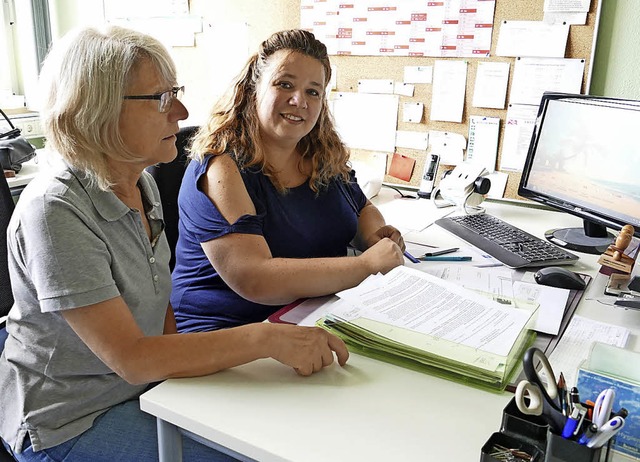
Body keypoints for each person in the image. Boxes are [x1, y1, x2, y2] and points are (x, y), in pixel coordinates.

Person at [0, 26, 349, 462]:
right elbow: (132, 358)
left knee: (288, 432)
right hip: (70, 420)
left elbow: (159, 306)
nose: (182, 111)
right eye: (161, 98)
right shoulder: (55, 211)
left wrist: (185, 392)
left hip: (145, 387)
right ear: (97, 109)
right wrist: (265, 340)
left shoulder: (141, 184)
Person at [171, 29, 405, 333]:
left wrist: (375, 237)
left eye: (313, 91)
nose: (299, 101)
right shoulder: (220, 166)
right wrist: (366, 265)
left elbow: (361, 209)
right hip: (230, 333)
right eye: (285, 84)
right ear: (253, 89)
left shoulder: (322, 154)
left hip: (309, 316)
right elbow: (254, 278)